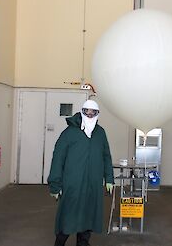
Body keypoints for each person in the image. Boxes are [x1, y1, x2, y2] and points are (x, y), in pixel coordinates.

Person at [47, 99, 114, 246]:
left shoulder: (100, 133)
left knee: (88, 217)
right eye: (87, 111)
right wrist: (55, 184)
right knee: (67, 218)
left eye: (93, 112)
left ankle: (83, 243)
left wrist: (109, 178)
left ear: (97, 114)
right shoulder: (69, 133)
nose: (90, 114)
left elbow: (106, 156)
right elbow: (58, 159)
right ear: (82, 112)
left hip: (93, 185)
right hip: (73, 185)